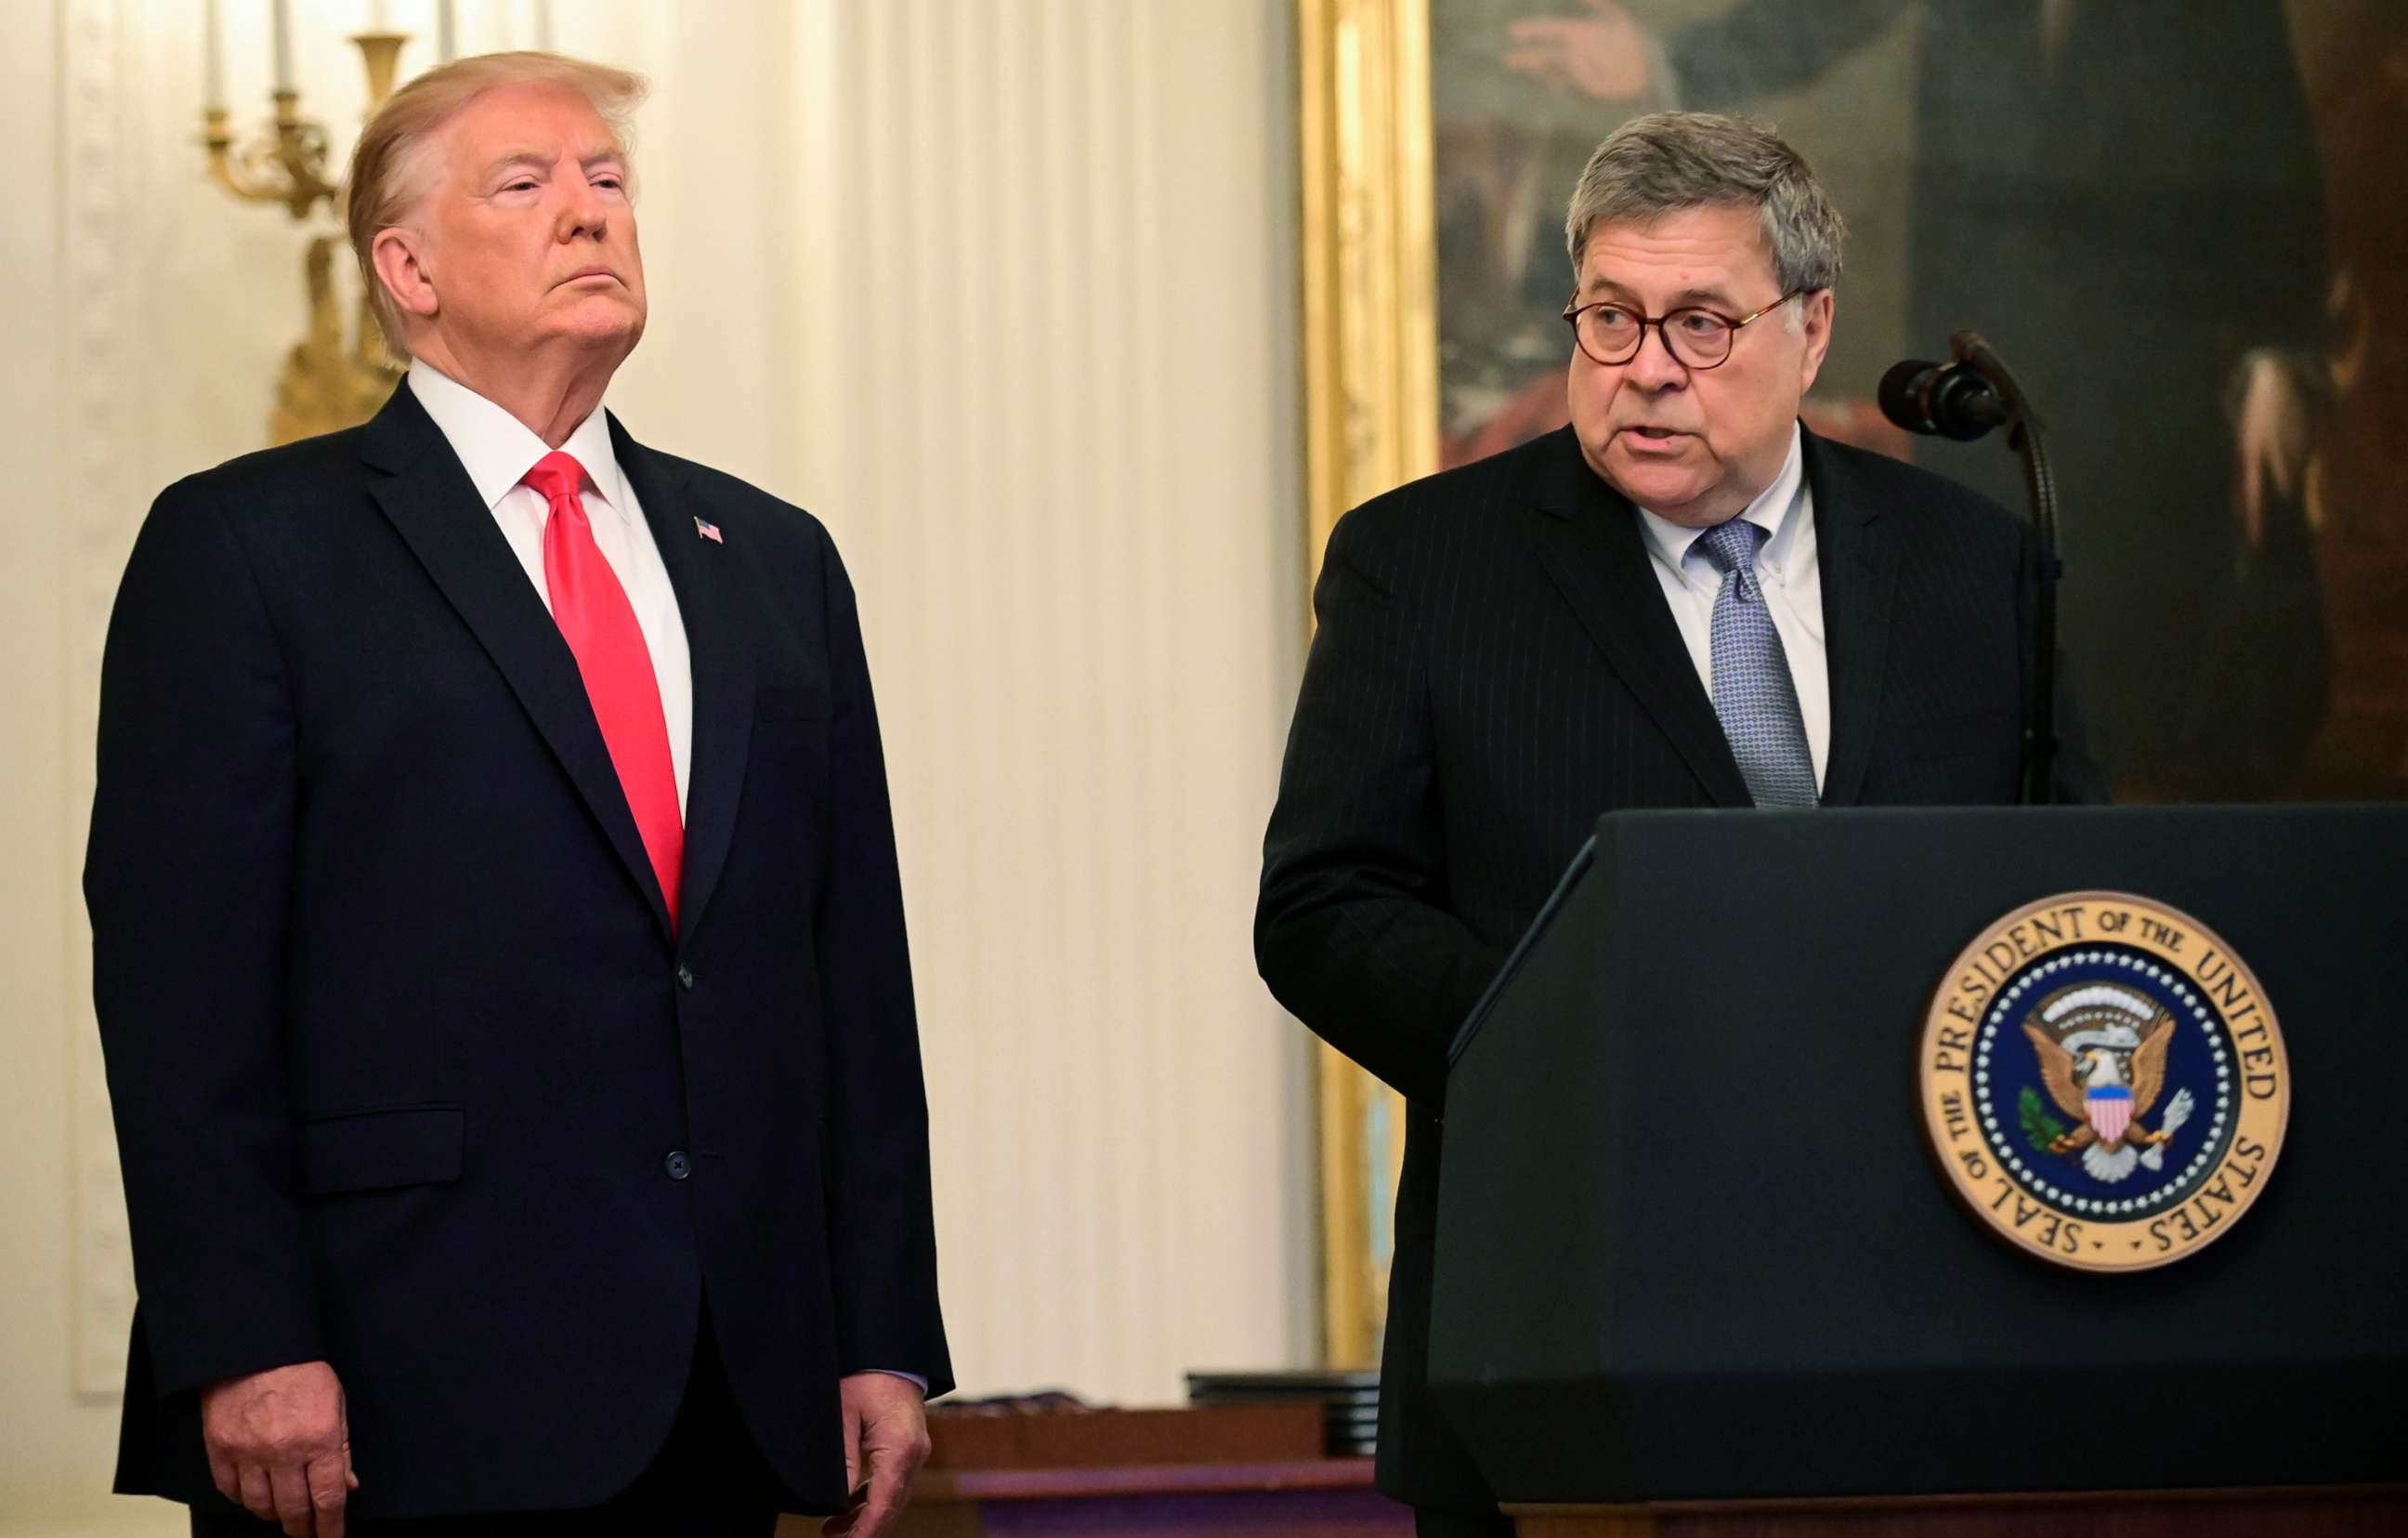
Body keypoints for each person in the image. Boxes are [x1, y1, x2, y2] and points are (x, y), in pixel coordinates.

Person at [86, 52, 949, 1538]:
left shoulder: (773, 559)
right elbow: (180, 990)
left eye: (607, 182)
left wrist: (882, 1327)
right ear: (404, 266)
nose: (588, 213)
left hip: (729, 1384)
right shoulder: (244, 548)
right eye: (527, 184)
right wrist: (240, 1333)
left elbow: (850, 976)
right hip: (390, 1381)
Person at [1256, 111, 2098, 1537]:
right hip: (1573, 1324)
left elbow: (2073, 892)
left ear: (1812, 326)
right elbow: (1325, 908)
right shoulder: (1425, 567)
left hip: (1933, 1327)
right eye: (1610, 318)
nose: (1645, 368)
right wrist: (1581, 1047)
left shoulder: (1973, 568)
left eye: (1702, 323)